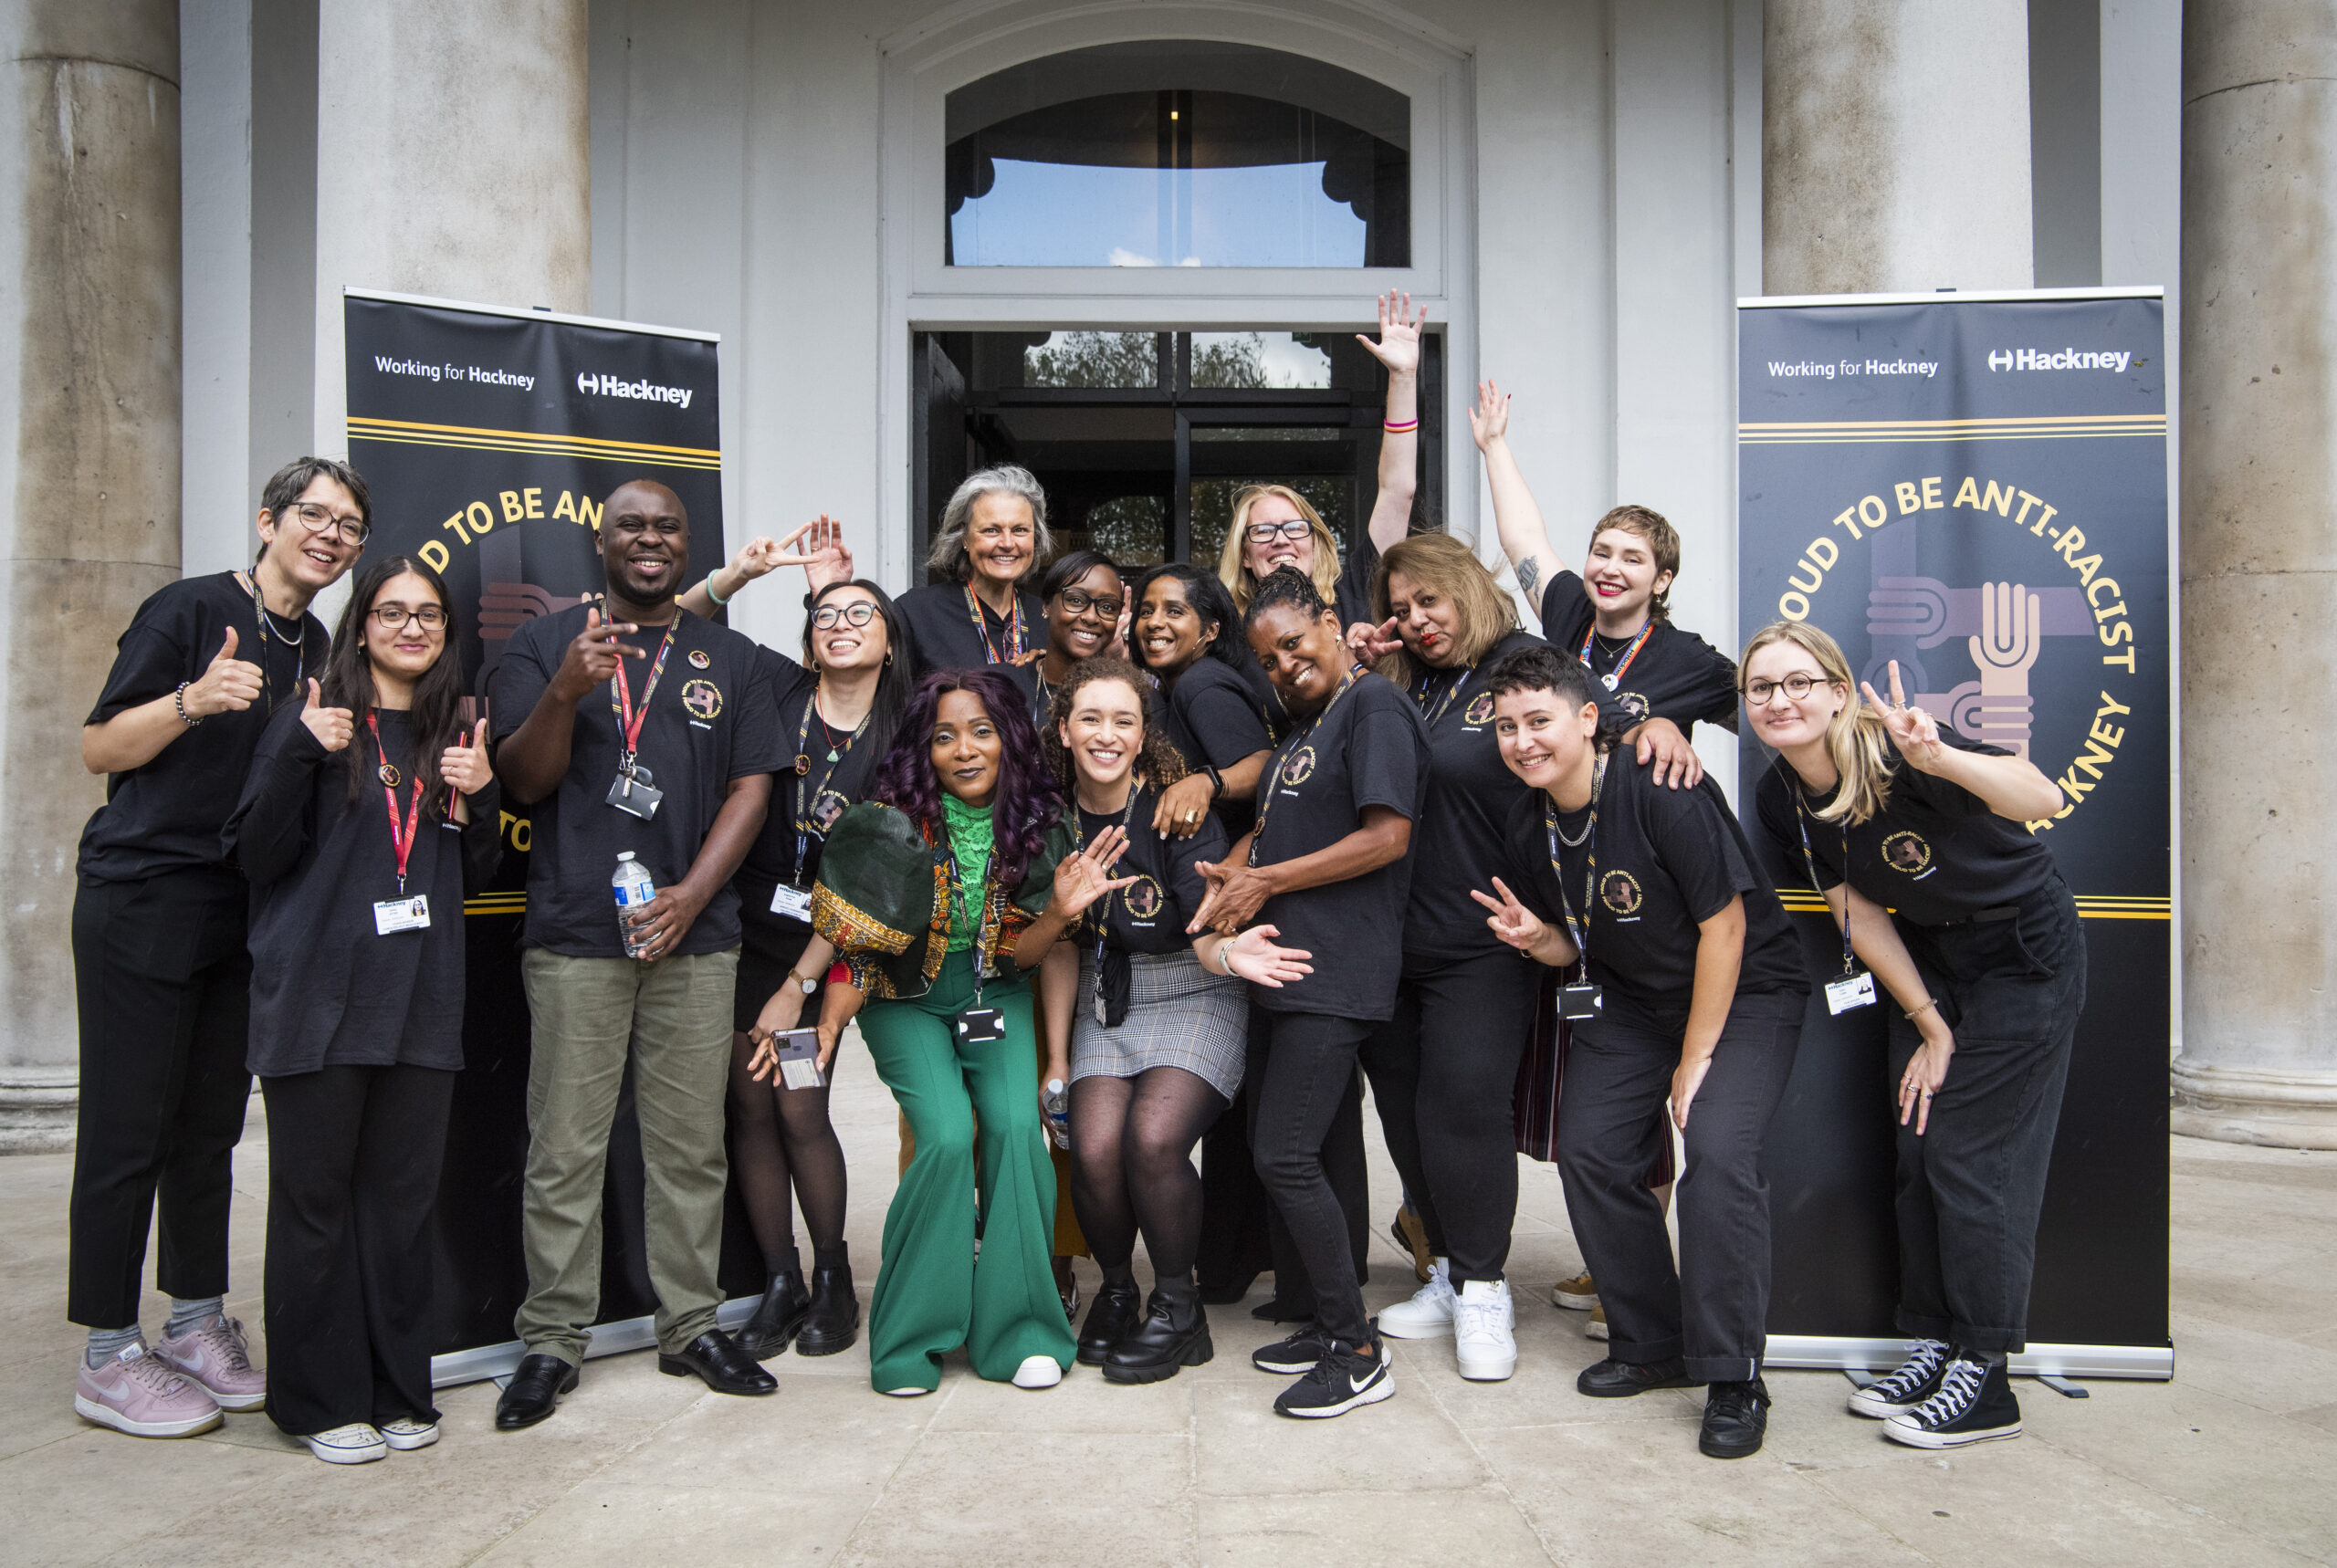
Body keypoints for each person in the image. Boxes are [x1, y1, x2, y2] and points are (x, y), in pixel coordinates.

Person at [68, 456, 369, 1438]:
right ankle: (108, 1350)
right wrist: (193, 700)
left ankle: (195, 1318)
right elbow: (100, 746)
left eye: (348, 525)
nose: (329, 534)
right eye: (314, 515)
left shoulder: (316, 639)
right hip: (145, 895)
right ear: (268, 520)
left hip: (246, 908)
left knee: (207, 1128)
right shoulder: (190, 609)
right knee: (127, 1129)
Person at [487, 478, 783, 1429]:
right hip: (577, 934)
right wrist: (567, 691)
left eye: (666, 527)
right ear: (602, 542)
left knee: (688, 1146)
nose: (649, 540)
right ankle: (551, 1339)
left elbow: (752, 788)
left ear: (687, 544)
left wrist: (695, 892)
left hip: (697, 941)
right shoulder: (543, 644)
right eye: (631, 527)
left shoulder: (727, 654)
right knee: (565, 1146)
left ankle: (690, 1323)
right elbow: (525, 781)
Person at [1742, 622, 2080, 1450]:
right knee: (1920, 1146)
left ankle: (1987, 1373)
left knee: (1973, 1157)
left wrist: (1944, 760)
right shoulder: (1778, 796)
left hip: (2022, 953)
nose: (1778, 701)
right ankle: (1936, 1341)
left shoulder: (1899, 748)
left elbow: (2044, 800)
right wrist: (1929, 1022)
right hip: (1934, 960)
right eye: (1761, 688)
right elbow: (1852, 907)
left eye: (1798, 682)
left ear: (1836, 689)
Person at [1473, 643, 1808, 1458]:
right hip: (1627, 999)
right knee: (1590, 1150)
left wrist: (1694, 1061)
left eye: (1540, 721)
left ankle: (1734, 1375)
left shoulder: (1661, 787)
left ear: (1589, 720)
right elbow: (1575, 939)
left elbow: (1724, 927)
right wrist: (1537, 937)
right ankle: (1653, 1343)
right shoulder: (1527, 817)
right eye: (1508, 726)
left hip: (1743, 991)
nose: (1523, 741)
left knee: (1719, 1156)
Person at [1472, 379, 1742, 1324]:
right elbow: (1521, 542)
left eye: (1631, 556)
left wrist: (1669, 721)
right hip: (1580, 896)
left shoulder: (1694, 662)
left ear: (1662, 577)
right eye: (1602, 552)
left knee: (1671, 1093)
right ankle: (1619, 1254)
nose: (1609, 566)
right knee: (1603, 1107)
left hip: (1664, 887)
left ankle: (1643, 1259)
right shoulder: (1568, 628)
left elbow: (1783, 718)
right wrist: (1495, 445)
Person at [225, 557, 502, 1464]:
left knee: (399, 1205)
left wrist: (482, 794)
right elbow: (254, 854)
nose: (413, 626)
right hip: (317, 998)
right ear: (362, 621)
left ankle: (395, 1387)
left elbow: (474, 873)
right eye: (394, 611)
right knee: (315, 1204)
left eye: (429, 614)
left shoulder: (449, 732)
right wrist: (299, 748)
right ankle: (315, 1398)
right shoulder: (313, 716)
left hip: (420, 1000)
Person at [803, 668, 1117, 1395]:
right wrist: (824, 1019)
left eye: (981, 732)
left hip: (997, 993)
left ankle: (1023, 1331)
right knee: (945, 1135)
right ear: (926, 749)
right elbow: (857, 943)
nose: (965, 750)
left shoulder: (1042, 824)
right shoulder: (889, 819)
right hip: (903, 1000)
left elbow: (1024, 956)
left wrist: (1058, 912)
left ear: (1008, 739)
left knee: (1014, 1128)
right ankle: (911, 1338)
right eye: (945, 736)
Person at [1189, 567, 1429, 1418]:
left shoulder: (1374, 708)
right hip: (1285, 970)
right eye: (1269, 658)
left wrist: (1270, 879)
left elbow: (1388, 836)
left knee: (1282, 1155)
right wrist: (1239, 870)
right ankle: (1328, 1323)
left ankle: (1358, 1352)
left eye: (1294, 643)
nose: (1284, 665)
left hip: (1338, 974)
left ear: (1332, 624)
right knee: (1301, 1149)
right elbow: (1279, 822)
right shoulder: (1305, 728)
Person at [1038, 659, 1312, 1382]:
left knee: (1153, 1141)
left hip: (1196, 986)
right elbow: (1061, 947)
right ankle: (1120, 1291)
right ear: (1064, 731)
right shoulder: (1048, 817)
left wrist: (1232, 958)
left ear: (1141, 735)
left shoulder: (1175, 810)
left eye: (1123, 721)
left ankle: (1178, 1309)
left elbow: (1203, 923)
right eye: (1090, 719)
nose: (1106, 734)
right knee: (1094, 1148)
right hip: (1109, 994)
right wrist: (1058, 1060)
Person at [1357, 535, 1546, 1381]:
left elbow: (1592, 728)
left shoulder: (1519, 663)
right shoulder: (1401, 682)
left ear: (1464, 586)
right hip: (1391, 940)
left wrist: (1651, 723)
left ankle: (1483, 1288)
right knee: (1405, 1116)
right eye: (1400, 608)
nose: (1417, 620)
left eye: (1429, 600)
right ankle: (1442, 1270)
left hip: (1484, 941)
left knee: (1464, 1109)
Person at [727, 579, 910, 1362]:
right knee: (750, 1106)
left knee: (799, 1104)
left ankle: (833, 1275)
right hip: (751, 929)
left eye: (860, 613)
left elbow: (871, 887)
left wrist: (796, 984)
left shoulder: (905, 735)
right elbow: (680, 620)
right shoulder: (779, 692)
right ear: (808, 640)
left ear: (891, 640)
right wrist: (736, 577)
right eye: (825, 615)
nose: (840, 625)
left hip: (839, 942)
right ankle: (781, 1278)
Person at [1216, 296, 1425, 671]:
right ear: (1244, 554)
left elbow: (1398, 491)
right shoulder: (1225, 630)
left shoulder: (1354, 594)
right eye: (1263, 531)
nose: (1282, 539)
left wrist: (1404, 378)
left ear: (1315, 541)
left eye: (1295, 527)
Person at [1127, 563, 1273, 843]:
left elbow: (1264, 764)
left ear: (1210, 630)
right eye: (1146, 611)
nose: (1154, 622)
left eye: (1174, 611)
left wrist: (1208, 783)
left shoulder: (1201, 682)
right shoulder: (1175, 686)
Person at [896, 465, 1053, 675]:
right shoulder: (916, 612)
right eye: (991, 530)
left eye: (1020, 530)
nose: (1007, 543)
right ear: (964, 538)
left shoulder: (1050, 619)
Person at [1027, 549, 1126, 722]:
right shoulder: (1000, 686)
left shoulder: (1131, 696)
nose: (1091, 617)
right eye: (1076, 600)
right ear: (1046, 605)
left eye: (1108, 607)